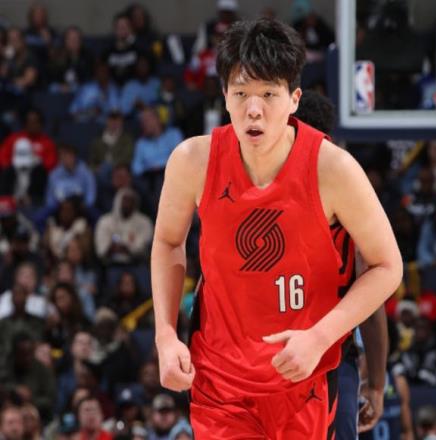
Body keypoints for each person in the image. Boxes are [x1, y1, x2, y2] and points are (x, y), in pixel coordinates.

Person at [151, 18, 402, 438]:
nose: (254, 109)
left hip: (303, 379)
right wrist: (165, 334)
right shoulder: (192, 161)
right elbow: (167, 241)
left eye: (268, 94)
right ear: (224, 97)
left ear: (294, 99)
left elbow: (387, 266)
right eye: (241, 93)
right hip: (220, 382)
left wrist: (320, 337)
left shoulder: (333, 169)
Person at [294, 89, 389, 438]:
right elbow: (371, 300)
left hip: (282, 354)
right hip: (326, 354)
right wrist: (376, 384)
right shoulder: (346, 183)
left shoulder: (259, 186)